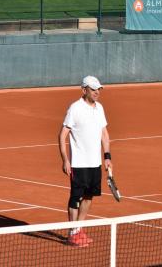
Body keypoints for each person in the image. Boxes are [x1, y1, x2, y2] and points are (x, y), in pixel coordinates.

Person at [58, 75, 113, 247]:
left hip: (95, 163)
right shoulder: (75, 108)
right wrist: (65, 159)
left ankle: (78, 229)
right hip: (79, 164)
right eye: (93, 89)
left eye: (99, 89)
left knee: (89, 196)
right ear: (84, 90)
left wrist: (107, 156)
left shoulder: (100, 108)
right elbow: (62, 135)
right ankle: (72, 233)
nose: (97, 92)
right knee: (75, 197)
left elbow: (104, 134)